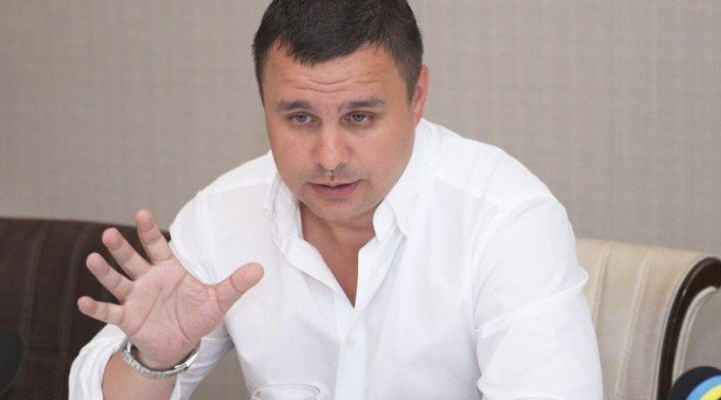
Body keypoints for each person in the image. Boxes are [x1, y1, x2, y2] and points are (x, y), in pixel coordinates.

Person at [69, 0, 603, 399]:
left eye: (359, 117)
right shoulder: (222, 215)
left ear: (417, 96)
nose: (328, 157)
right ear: (264, 104)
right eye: (300, 117)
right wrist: (154, 360)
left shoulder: (507, 221)